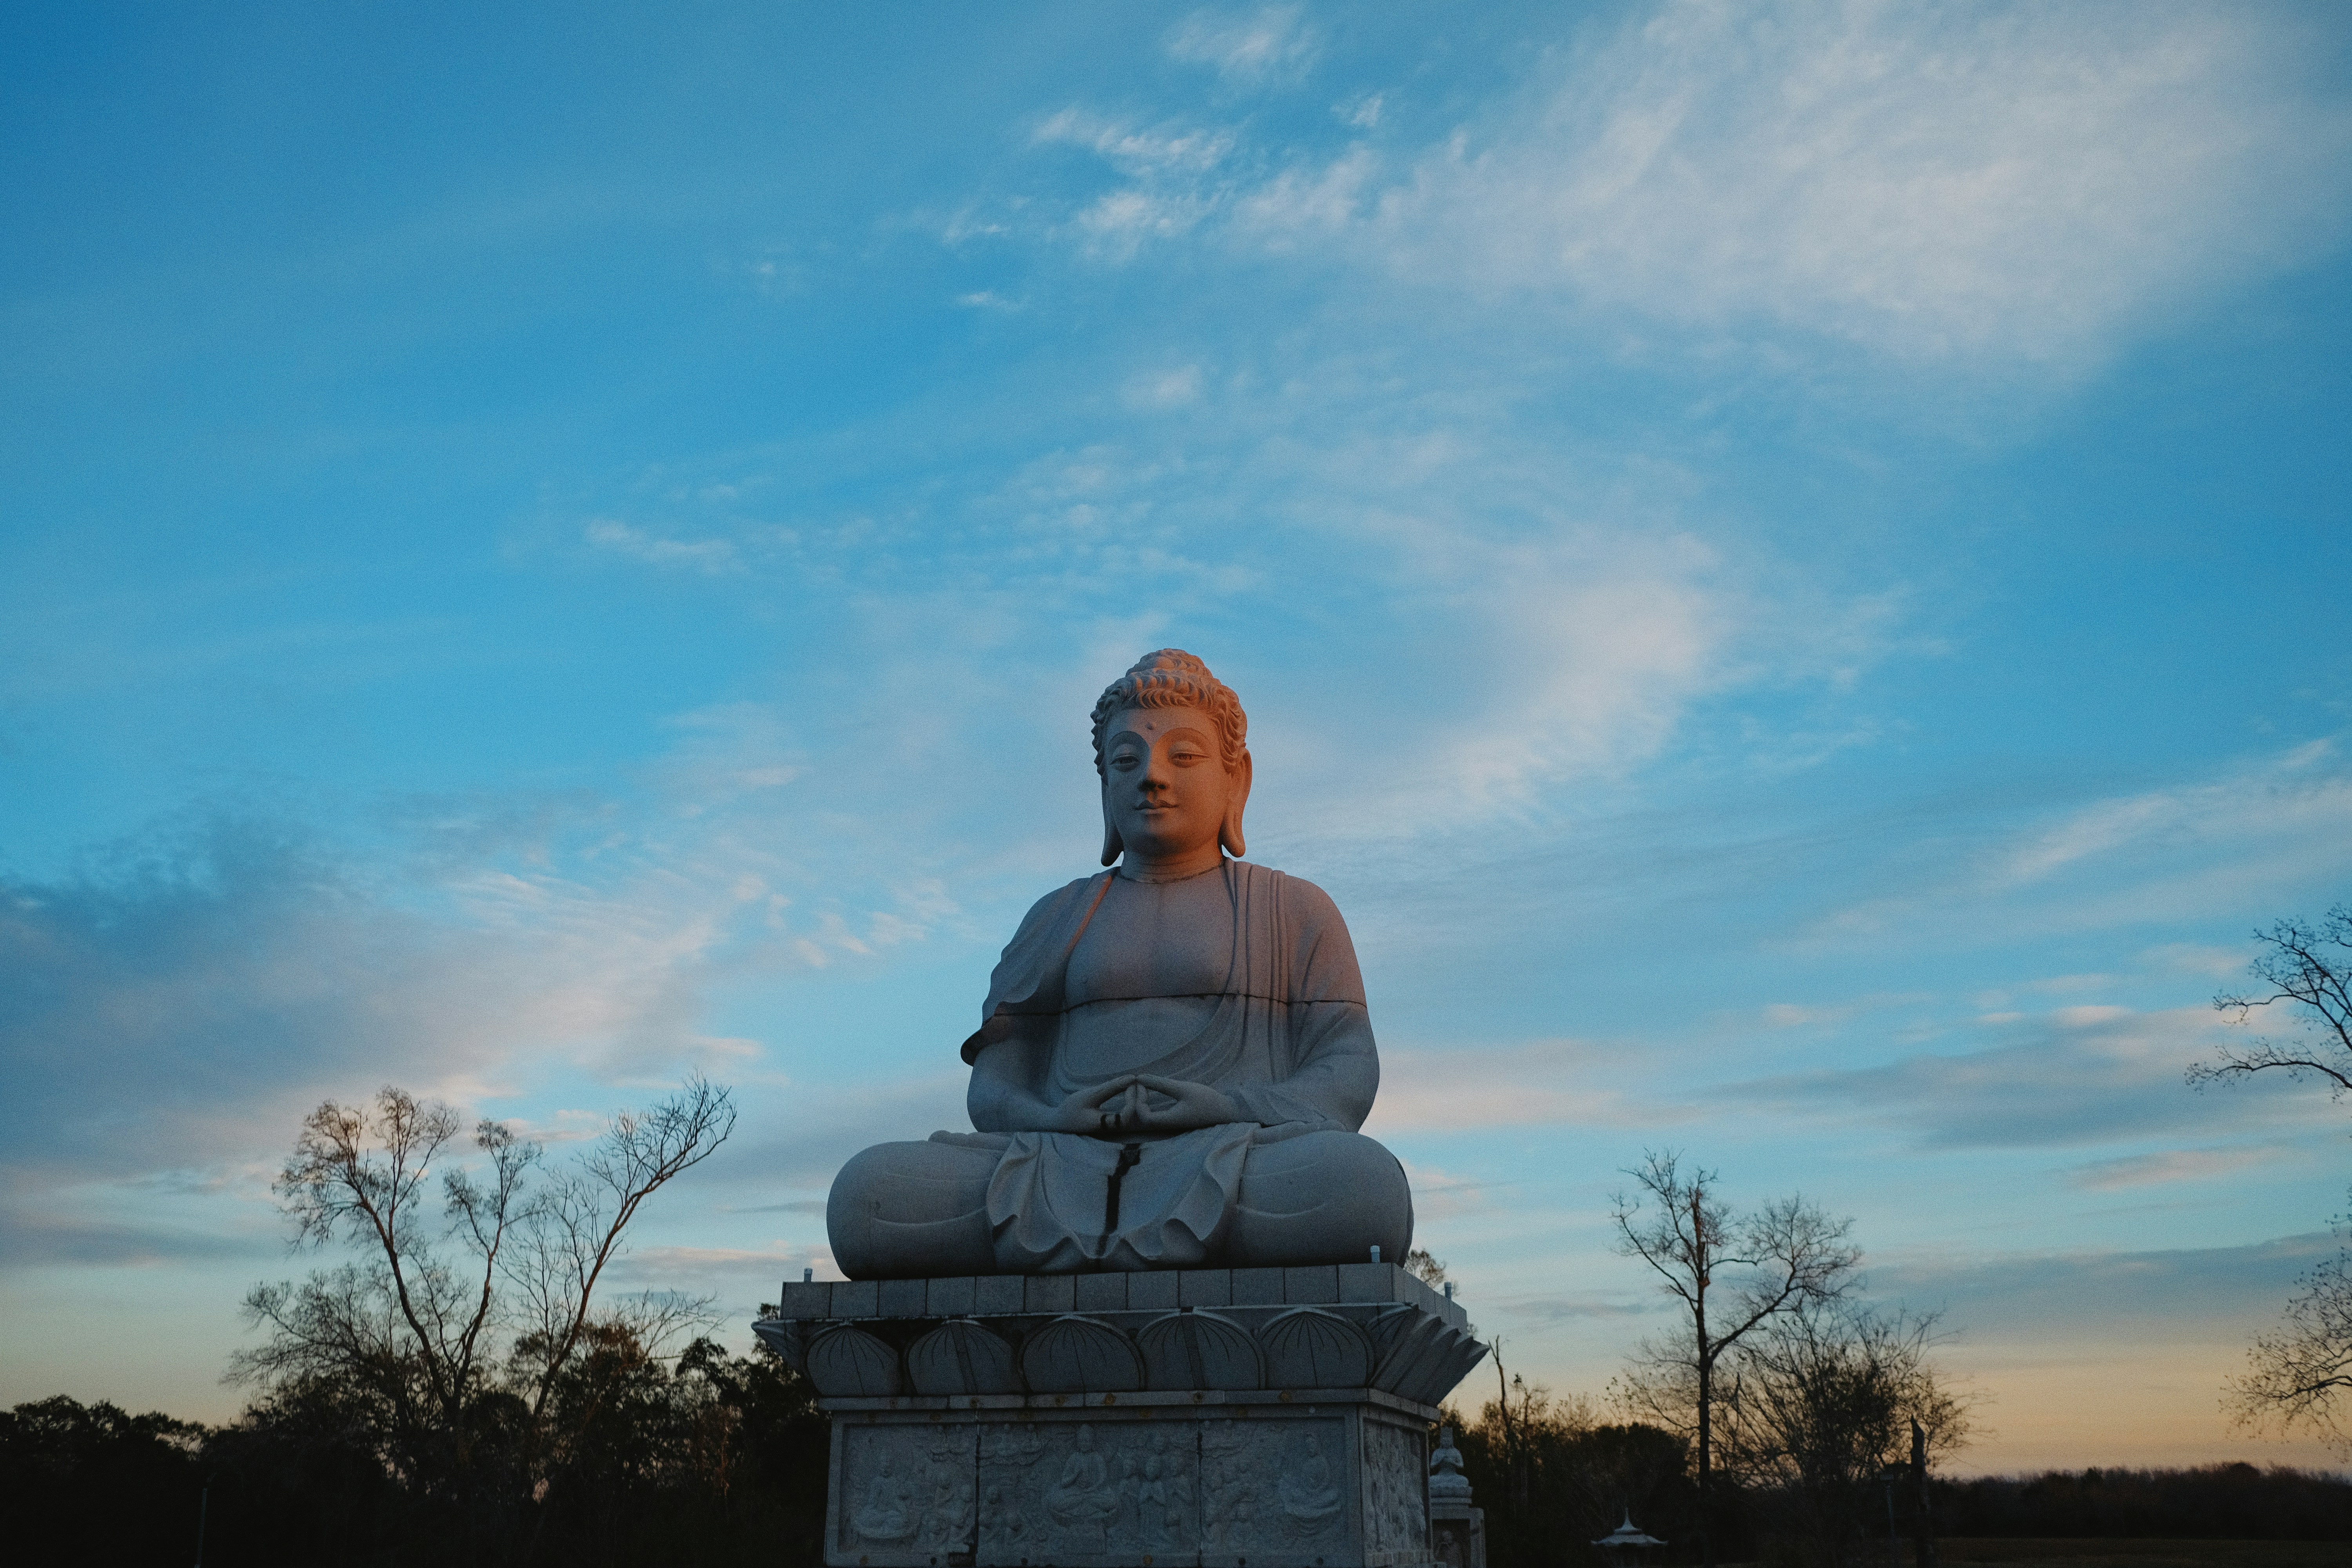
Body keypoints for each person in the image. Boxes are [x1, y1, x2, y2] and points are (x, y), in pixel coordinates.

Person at [827, 650, 1414, 1277]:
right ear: (1105, 785)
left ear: (1235, 778)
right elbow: (996, 1085)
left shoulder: (1290, 908)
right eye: (1126, 761)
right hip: (1054, 1162)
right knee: (868, 1194)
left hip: (1237, 1152)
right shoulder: (1059, 914)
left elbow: (1347, 1069)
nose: (1152, 778)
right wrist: (1054, 1118)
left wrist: (1222, 1107)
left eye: (1183, 756)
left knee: (1364, 1190)